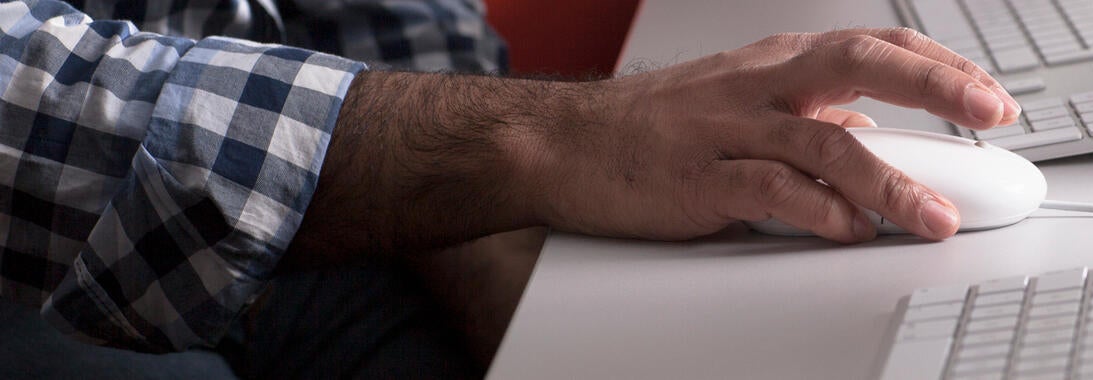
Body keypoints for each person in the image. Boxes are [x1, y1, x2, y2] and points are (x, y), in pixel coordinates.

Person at [0, 0, 1020, 377]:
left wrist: (479, 220)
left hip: (304, 198)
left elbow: (387, 26)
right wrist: (539, 140)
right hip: (36, 256)